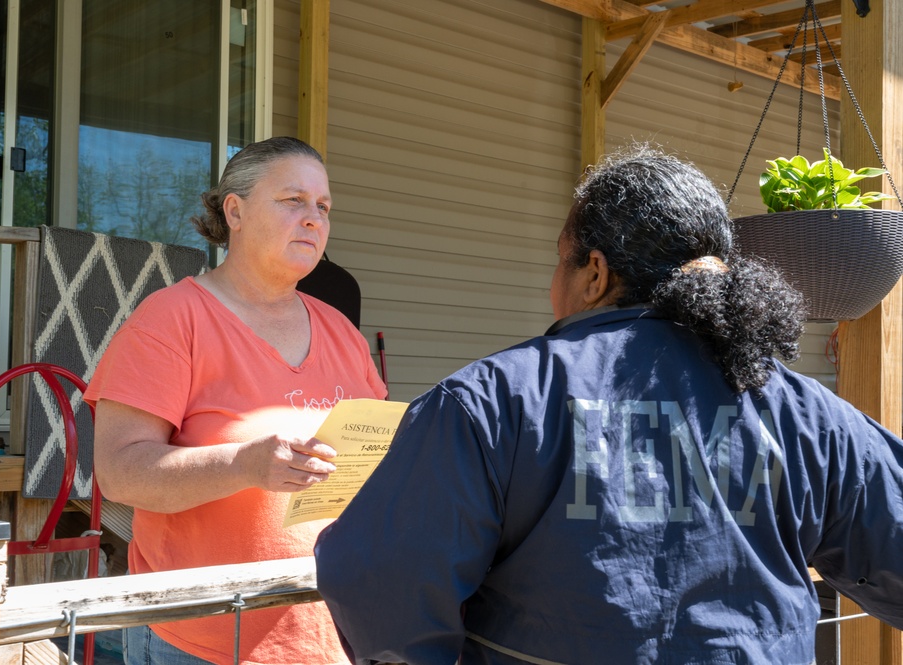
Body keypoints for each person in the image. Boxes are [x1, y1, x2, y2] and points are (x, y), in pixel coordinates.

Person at [314, 145, 903, 664]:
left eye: (559, 259)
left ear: (594, 273)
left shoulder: (492, 401)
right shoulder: (808, 412)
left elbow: (380, 578)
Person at [85, 136, 387, 665]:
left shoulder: (342, 331)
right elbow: (118, 473)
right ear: (236, 211)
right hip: (200, 635)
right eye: (293, 200)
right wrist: (243, 463)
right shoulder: (171, 319)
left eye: (323, 206)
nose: (313, 218)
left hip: (327, 631)